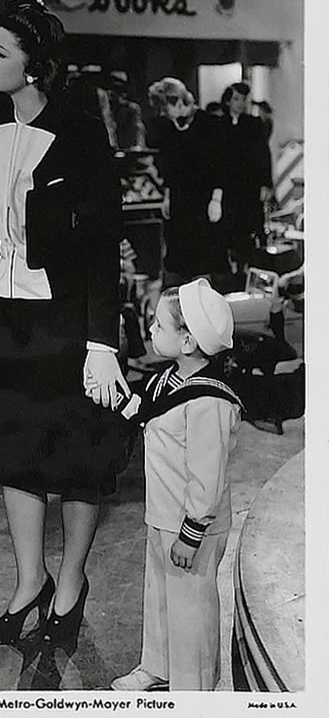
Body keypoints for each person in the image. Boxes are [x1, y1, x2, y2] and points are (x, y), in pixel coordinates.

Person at [0, 0, 128, 651]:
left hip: (68, 323)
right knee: (16, 454)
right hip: (11, 320)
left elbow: (101, 244)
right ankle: (29, 581)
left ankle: (70, 582)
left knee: (75, 459)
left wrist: (102, 343)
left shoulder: (80, 134)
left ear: (33, 64)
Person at [111, 278, 242, 691]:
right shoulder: (166, 380)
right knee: (161, 597)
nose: (150, 329)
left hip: (192, 526)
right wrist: (115, 398)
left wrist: (191, 534)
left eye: (158, 324)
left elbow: (207, 478)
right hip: (163, 515)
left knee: (191, 610)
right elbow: (148, 413)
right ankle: (158, 666)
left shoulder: (209, 401)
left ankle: (192, 688)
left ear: (187, 342)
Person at [146, 77, 233, 291]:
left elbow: (221, 165)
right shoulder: (169, 128)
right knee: (178, 257)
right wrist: (167, 196)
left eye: (165, 108)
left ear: (178, 101)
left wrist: (216, 199)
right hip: (179, 200)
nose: (163, 114)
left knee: (203, 256)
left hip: (205, 200)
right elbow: (170, 166)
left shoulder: (210, 124)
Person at [219, 82, 274, 273]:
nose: (241, 103)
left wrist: (266, 184)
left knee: (251, 225)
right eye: (236, 99)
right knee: (229, 227)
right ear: (228, 101)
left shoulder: (254, 124)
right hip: (228, 186)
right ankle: (232, 270)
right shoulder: (219, 125)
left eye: (244, 99)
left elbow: (263, 155)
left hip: (250, 185)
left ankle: (252, 268)